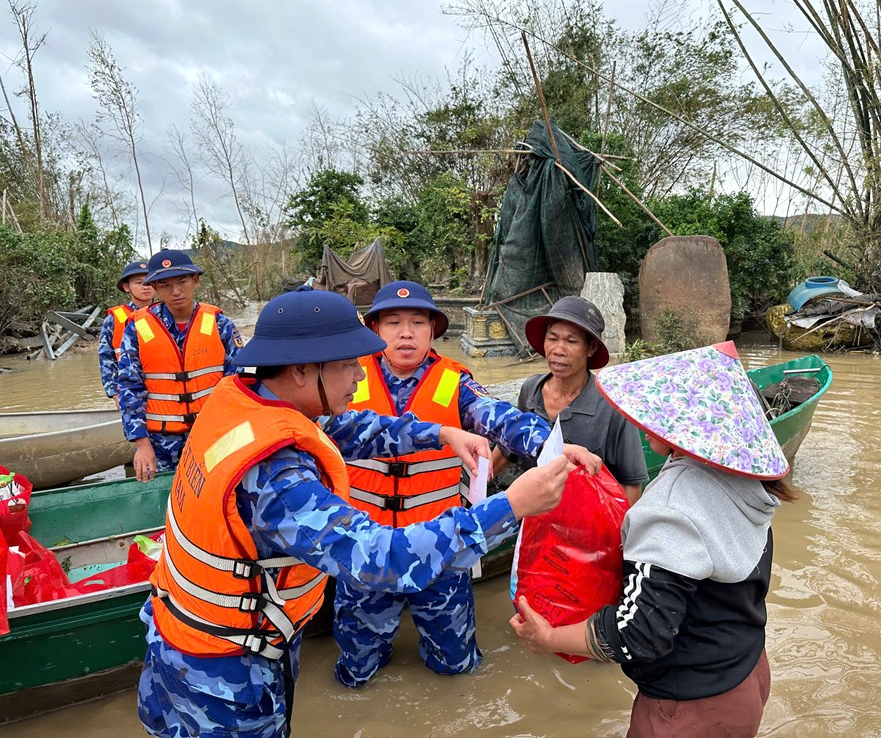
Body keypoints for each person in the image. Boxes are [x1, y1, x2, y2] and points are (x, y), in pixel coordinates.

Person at [137, 287, 574, 738]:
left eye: (417, 322)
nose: (359, 378)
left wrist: (442, 432)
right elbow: (381, 559)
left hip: (175, 637)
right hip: (224, 675)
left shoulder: (241, 400)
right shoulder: (276, 475)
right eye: (348, 366)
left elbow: (349, 429)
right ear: (304, 370)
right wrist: (512, 505)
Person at [510, 341, 796, 738]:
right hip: (747, 671)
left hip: (690, 707)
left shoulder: (670, 507)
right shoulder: (746, 480)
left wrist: (549, 638)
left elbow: (640, 634)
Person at [332, 280, 600, 688]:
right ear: (374, 330)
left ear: (434, 330)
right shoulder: (345, 378)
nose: (406, 332)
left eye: (418, 322)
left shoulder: (454, 382)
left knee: (457, 666)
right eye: (393, 322)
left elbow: (501, 418)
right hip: (365, 550)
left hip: (443, 546)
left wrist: (551, 445)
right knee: (358, 671)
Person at [495, 295, 648, 504]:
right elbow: (508, 449)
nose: (558, 350)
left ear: (591, 348)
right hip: (532, 518)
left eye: (571, 341)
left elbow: (631, 485)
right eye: (552, 338)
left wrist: (618, 535)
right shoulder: (531, 391)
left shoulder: (612, 406)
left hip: (587, 524)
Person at [117, 249, 242, 482]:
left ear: (195, 280)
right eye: (165, 285)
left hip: (213, 435)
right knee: (167, 498)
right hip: (161, 443)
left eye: (182, 282)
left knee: (217, 494)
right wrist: (142, 444)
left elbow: (240, 383)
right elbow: (129, 387)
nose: (176, 292)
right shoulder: (137, 328)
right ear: (154, 288)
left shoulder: (219, 324)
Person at [98, 259, 155, 408]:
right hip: (129, 391)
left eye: (149, 282)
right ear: (126, 287)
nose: (146, 287)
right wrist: (114, 393)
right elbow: (106, 358)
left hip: (161, 389)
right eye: (139, 282)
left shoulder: (166, 314)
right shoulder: (115, 318)